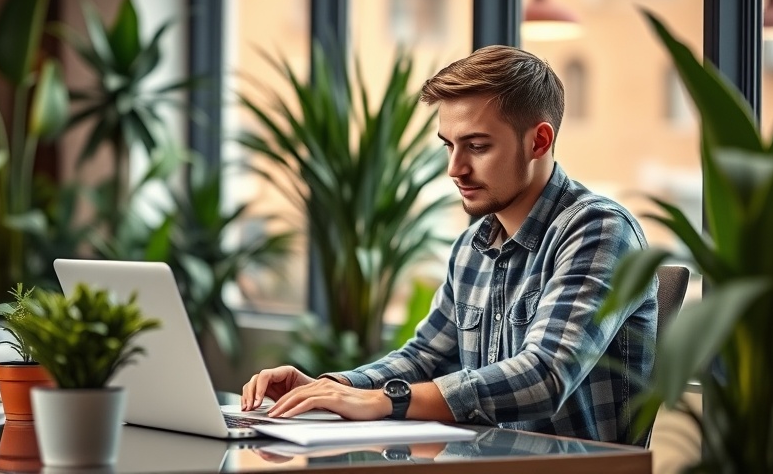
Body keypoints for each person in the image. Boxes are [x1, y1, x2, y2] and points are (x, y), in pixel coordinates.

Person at [241, 45, 658, 445]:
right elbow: (424, 357)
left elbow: (545, 375)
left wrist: (383, 401)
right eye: (449, 145)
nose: (454, 168)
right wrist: (333, 387)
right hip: (479, 462)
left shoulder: (599, 229)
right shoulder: (472, 246)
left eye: (477, 146)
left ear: (539, 141)